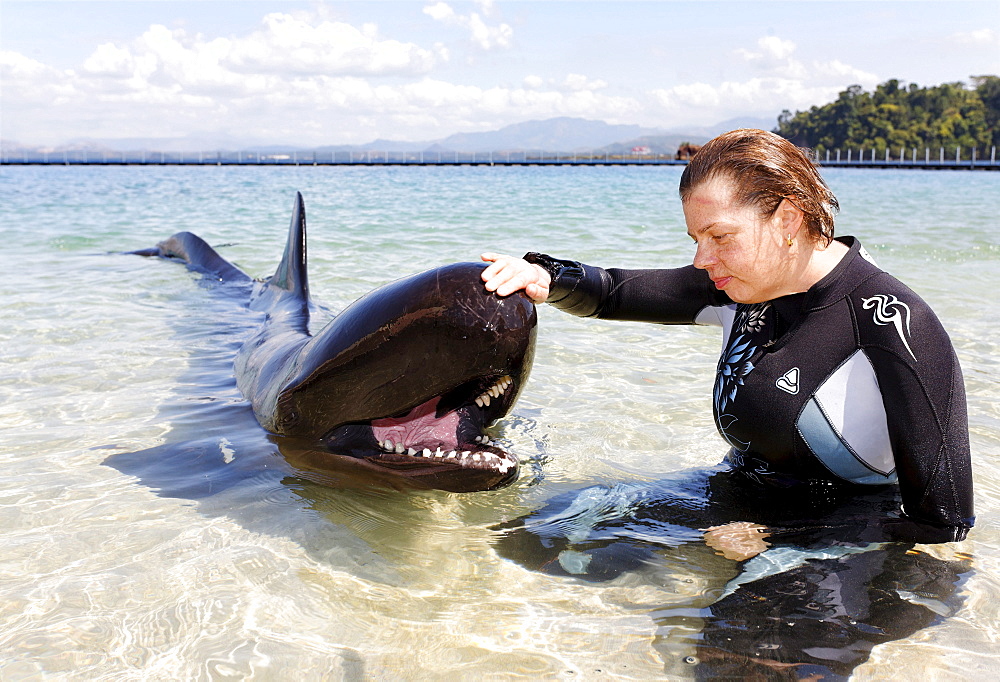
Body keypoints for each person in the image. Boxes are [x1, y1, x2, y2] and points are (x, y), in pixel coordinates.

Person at [481, 128, 973, 545]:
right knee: (538, 540)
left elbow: (943, 521)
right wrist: (541, 274)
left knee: (734, 658)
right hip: (738, 496)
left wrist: (779, 538)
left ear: (786, 219)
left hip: (846, 531)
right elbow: (610, 291)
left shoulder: (891, 321)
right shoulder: (732, 288)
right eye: (696, 240)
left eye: (719, 237)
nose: (701, 260)